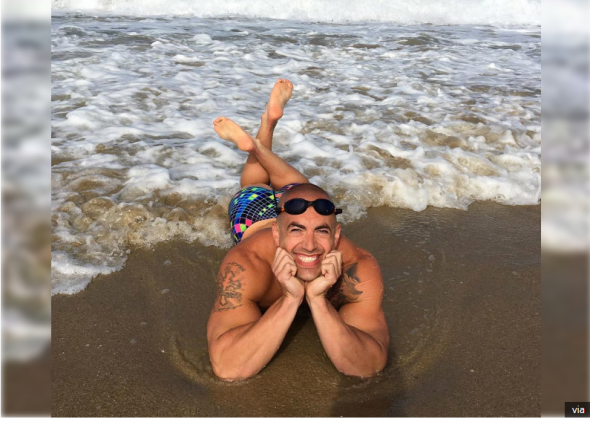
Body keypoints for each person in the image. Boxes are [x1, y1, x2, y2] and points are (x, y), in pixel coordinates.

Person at [206, 79, 389, 380]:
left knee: (301, 187)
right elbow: (228, 367)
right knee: (254, 184)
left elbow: (368, 365)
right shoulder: (247, 262)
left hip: (292, 202)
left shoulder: (359, 266)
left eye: (322, 232)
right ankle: (264, 131)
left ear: (337, 235)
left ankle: (260, 139)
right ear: (276, 234)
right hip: (253, 216)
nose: (309, 245)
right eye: (296, 231)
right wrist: (290, 299)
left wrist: (317, 300)